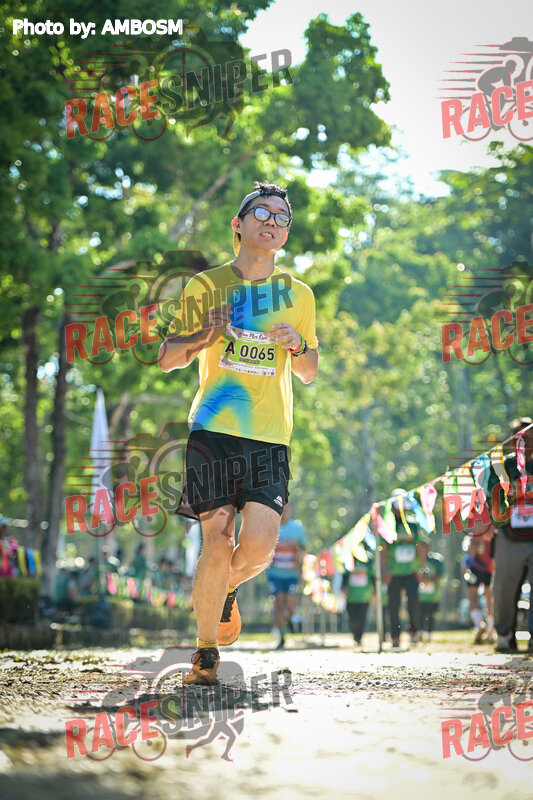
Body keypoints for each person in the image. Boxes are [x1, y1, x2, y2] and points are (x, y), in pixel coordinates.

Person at [158, 181, 319, 684]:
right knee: (217, 536)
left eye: (281, 217)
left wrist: (298, 346)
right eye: (262, 213)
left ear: (285, 234)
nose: (272, 222)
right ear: (239, 223)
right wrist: (204, 332)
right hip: (214, 430)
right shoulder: (206, 286)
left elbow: (310, 371)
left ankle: (222, 589)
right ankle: (206, 653)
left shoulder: (299, 295)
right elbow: (167, 359)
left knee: (259, 548)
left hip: (270, 437)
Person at [488, 417, 533, 653]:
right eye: (519, 437)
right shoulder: (503, 466)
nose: (524, 441)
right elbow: (492, 496)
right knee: (503, 589)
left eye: (528, 436)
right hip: (509, 536)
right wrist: (499, 521)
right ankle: (504, 635)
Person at [382, 490, 425, 648]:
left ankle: (414, 630)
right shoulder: (387, 527)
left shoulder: (413, 525)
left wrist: (421, 568)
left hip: (411, 571)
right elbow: (383, 551)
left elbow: (419, 546)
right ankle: (395, 635)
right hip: (393, 572)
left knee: (413, 601)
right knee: (393, 605)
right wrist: (384, 572)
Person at [266, 501, 306, 649]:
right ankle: (282, 637)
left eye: (287, 507)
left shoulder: (297, 528)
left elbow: (303, 547)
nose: (285, 510)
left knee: (290, 604)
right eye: (282, 507)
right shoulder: (271, 526)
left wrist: (299, 557)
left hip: (291, 574)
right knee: (279, 604)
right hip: (275, 574)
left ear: (291, 509)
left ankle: (292, 619)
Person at [462, 527, 495, 644]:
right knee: (489, 599)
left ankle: (480, 625)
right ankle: (490, 631)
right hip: (489, 569)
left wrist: (465, 566)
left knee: (473, 598)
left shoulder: (476, 534)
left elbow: (472, 549)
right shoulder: (494, 532)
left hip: (475, 568)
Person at [342, 548, 374, 647]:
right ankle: (355, 634)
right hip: (351, 595)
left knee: (362, 617)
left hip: (364, 595)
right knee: (352, 617)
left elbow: (372, 574)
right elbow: (344, 574)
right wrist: (343, 587)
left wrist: (374, 590)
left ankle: (359, 637)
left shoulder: (369, 558)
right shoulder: (348, 557)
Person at [417, 541, 445, 642]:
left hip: (433, 595)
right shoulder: (416, 560)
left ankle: (429, 634)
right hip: (420, 595)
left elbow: (441, 575)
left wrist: (430, 580)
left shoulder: (436, 560)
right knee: (420, 613)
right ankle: (420, 633)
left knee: (431, 614)